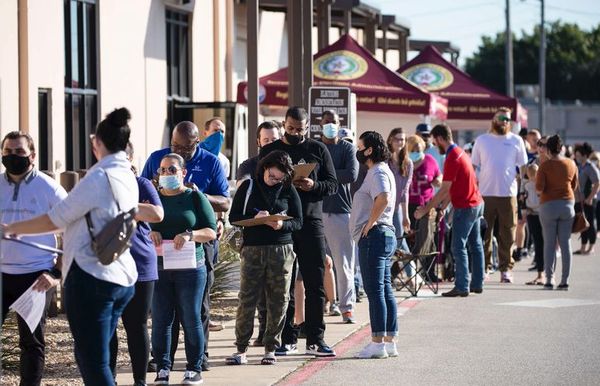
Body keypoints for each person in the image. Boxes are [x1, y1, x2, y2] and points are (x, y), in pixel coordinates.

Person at [2, 108, 139, 385]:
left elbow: (57, 218)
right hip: (117, 276)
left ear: (96, 142)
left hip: (93, 278)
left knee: (92, 362)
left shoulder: (98, 178)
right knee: (96, 358)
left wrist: (11, 229)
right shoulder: (124, 172)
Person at [142, 121, 229, 371]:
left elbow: (224, 201)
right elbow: (143, 196)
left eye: (184, 148)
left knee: (196, 308)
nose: (178, 152)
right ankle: (162, 361)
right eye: (174, 146)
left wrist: (198, 194)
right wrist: (151, 229)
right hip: (160, 252)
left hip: (196, 249)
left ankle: (199, 357)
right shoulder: (157, 158)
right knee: (162, 312)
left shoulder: (210, 161)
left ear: (196, 143)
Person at [259, 106, 338, 357]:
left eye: (300, 130)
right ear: (284, 125)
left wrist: (313, 184)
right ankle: (287, 338)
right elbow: (260, 185)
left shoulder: (317, 148)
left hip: (311, 221)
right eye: (291, 129)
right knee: (284, 283)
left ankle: (315, 338)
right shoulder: (270, 151)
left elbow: (333, 184)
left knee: (315, 281)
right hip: (282, 222)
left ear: (308, 128)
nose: (295, 133)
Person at [0, 131, 67, 386]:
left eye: (19, 152)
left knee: (31, 342)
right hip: (1, 274)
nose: (12, 156)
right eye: (7, 152)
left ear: (32, 155)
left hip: (36, 276)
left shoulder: (50, 189)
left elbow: (71, 232)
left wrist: (55, 274)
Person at [226, 150, 302, 365]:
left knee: (279, 300)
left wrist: (282, 224)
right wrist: (255, 218)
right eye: (272, 176)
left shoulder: (288, 189)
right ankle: (241, 349)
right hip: (253, 249)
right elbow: (234, 218)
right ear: (264, 168)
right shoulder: (248, 187)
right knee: (247, 299)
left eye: (279, 179)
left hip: (282, 249)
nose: (275, 181)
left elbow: (298, 221)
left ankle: (271, 348)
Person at [150, 153, 217, 384]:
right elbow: (138, 227)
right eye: (163, 170)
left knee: (191, 317)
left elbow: (211, 231)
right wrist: (151, 232)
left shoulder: (195, 197)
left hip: (190, 266)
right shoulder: (153, 200)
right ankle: (162, 368)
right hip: (159, 266)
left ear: (183, 173)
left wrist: (191, 235)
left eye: (172, 170)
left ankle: (194, 368)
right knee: (161, 319)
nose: (167, 174)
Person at [109, 142, 164, 386]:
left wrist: (124, 206)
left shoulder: (142, 184)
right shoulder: (101, 184)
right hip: (108, 265)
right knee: (108, 327)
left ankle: (139, 380)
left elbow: (156, 214)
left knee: (136, 325)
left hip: (140, 263)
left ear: (131, 159)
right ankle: (107, 379)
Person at [415, 124, 484, 297]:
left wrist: (426, 208)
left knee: (457, 246)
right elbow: (454, 188)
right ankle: (477, 283)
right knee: (475, 244)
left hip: (466, 206)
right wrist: (443, 208)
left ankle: (462, 286)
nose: (434, 146)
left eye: (434, 141)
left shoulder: (452, 157)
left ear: (439, 139)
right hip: (476, 203)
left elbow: (445, 189)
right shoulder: (460, 152)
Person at [349, 131, 398, 359]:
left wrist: (370, 222)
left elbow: (383, 197)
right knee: (385, 289)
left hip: (375, 236)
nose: (358, 151)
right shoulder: (379, 170)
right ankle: (388, 341)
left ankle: (377, 343)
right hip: (382, 235)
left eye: (360, 147)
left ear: (369, 150)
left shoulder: (377, 171)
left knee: (375, 290)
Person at [471, 107, 528, 283]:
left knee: (508, 233)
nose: (505, 121)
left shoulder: (516, 140)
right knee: (485, 232)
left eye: (508, 119)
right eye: (501, 118)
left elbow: (523, 167)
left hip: (508, 193)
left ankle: (506, 269)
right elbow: (473, 167)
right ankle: (485, 267)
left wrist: (523, 187)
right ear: (494, 120)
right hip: (485, 193)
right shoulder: (482, 140)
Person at [320, 110, 359, 324]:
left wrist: (324, 175)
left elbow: (350, 175)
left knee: (343, 264)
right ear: (320, 124)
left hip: (341, 212)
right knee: (317, 263)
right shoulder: (316, 147)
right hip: (316, 211)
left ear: (338, 123)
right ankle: (324, 303)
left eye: (333, 122)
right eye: (326, 122)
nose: (330, 125)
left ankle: (347, 308)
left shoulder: (347, 148)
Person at [536, 135, 578, 290]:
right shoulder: (571, 163)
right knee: (565, 243)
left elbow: (539, 188)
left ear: (548, 149)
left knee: (549, 243)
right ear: (561, 148)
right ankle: (565, 280)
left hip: (548, 204)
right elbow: (574, 185)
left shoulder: (545, 166)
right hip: (567, 204)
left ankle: (549, 279)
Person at [407, 135, 442, 282]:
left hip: (426, 204)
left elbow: (439, 176)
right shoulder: (405, 162)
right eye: (413, 149)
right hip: (408, 204)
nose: (416, 152)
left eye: (419, 149)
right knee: (408, 240)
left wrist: (438, 180)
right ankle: (410, 272)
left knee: (429, 238)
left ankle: (429, 271)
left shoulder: (429, 161)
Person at [386, 128, 415, 287]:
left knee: (398, 240)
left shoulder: (408, 163)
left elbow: (405, 192)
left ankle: (411, 275)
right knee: (393, 242)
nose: (400, 142)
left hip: (396, 209)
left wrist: (405, 215)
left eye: (403, 139)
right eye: (397, 139)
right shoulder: (385, 160)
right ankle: (411, 274)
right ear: (390, 140)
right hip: (382, 207)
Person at [236, 121, 281, 187]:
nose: (270, 144)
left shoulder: (286, 164)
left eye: (274, 140)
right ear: (258, 142)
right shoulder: (248, 165)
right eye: (266, 140)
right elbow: (242, 186)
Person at [573, 142, 600, 255]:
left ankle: (591, 246)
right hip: (579, 200)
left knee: (590, 223)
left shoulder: (590, 167)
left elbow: (597, 183)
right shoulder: (579, 166)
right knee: (582, 223)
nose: (577, 157)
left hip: (588, 200)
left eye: (579, 155)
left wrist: (590, 198)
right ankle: (583, 247)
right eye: (576, 155)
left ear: (585, 155)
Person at [523, 164, 545, 285]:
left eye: (534, 174)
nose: (533, 176)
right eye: (531, 174)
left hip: (540, 214)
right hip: (532, 215)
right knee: (537, 242)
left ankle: (543, 273)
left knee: (542, 243)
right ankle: (540, 273)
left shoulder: (540, 185)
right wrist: (526, 210)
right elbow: (523, 199)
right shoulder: (526, 186)